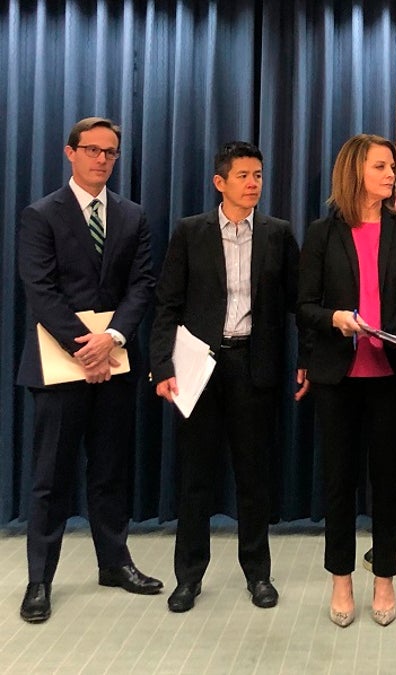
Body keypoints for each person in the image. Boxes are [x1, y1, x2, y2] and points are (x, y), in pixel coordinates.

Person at [16, 117, 161, 623]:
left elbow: (142, 285)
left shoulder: (133, 215)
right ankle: (39, 580)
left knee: (110, 471)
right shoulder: (41, 215)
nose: (103, 159)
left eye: (111, 152)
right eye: (93, 150)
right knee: (50, 478)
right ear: (70, 153)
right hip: (59, 366)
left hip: (116, 363)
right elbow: (40, 290)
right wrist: (86, 348)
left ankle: (114, 563)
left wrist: (113, 339)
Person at [149, 141, 301, 613]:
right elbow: (168, 304)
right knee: (196, 478)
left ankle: (258, 575)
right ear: (220, 182)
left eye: (258, 174)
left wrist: (309, 358)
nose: (254, 183)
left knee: (254, 478)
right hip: (200, 369)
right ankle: (188, 578)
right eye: (244, 176)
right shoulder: (190, 232)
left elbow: (299, 303)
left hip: (254, 368)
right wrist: (162, 366)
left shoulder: (278, 233)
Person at [296, 134, 396, 627]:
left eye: (391, 167)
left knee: (388, 480)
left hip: (391, 375)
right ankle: (341, 579)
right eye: (381, 167)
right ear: (355, 172)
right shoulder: (322, 233)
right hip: (339, 376)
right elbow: (304, 306)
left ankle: (385, 578)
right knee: (338, 481)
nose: (391, 174)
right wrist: (334, 318)